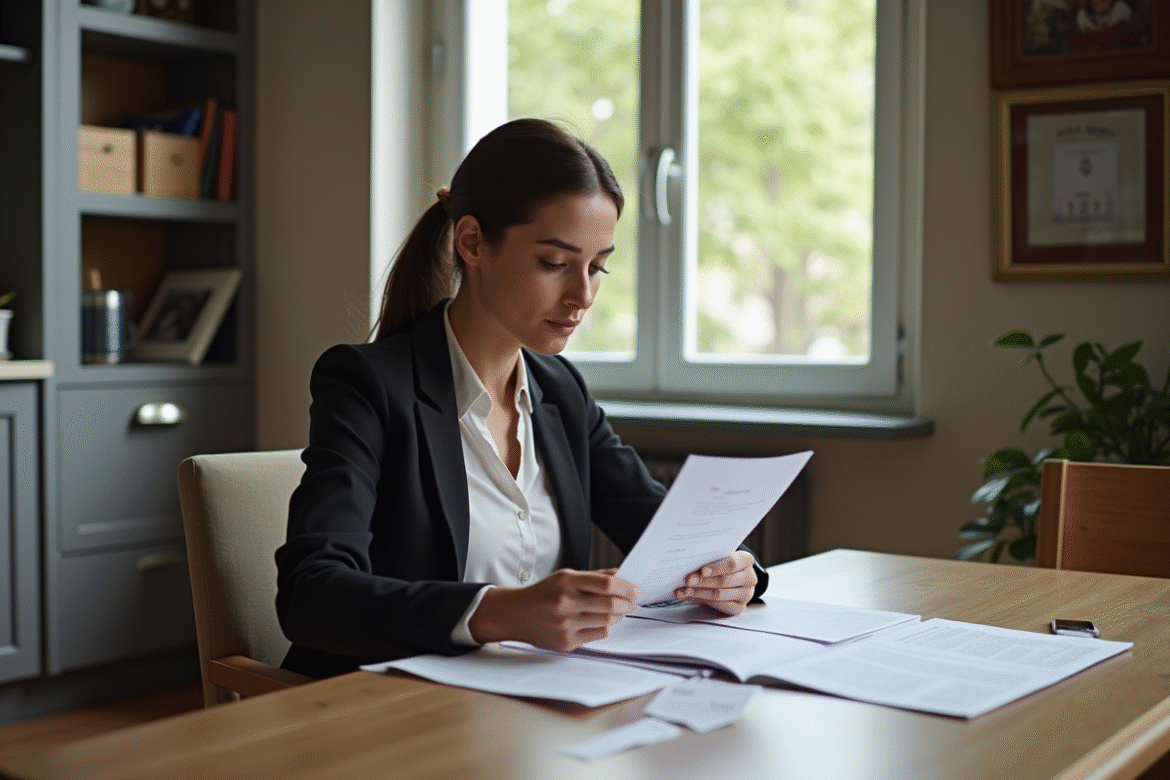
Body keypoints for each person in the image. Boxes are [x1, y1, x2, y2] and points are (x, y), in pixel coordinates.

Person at [275, 118, 767, 679]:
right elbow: (312, 594)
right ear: (472, 242)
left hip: (534, 704)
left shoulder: (561, 393)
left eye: (598, 266)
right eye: (554, 264)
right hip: (389, 714)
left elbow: (668, 532)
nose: (583, 295)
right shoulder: (367, 384)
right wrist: (496, 611)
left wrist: (738, 570)